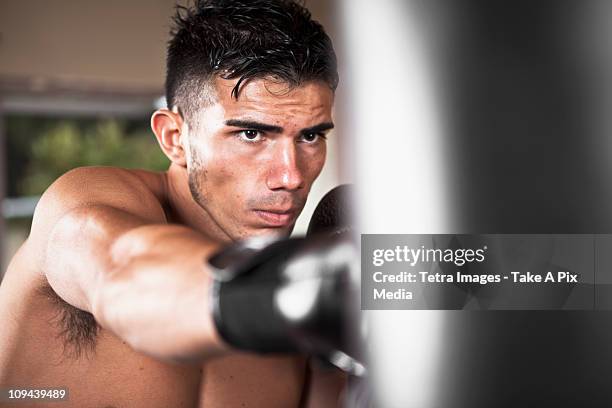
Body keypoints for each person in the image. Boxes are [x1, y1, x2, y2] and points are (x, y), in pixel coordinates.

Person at [0, 1, 348, 406]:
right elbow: (118, 272)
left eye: (310, 137)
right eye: (252, 134)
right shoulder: (87, 201)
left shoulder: (299, 315)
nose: (290, 177)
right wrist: (298, 292)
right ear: (173, 137)